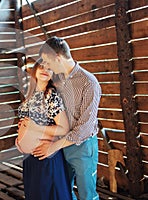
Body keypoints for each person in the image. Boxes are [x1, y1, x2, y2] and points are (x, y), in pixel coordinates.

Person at [33, 36, 102, 200]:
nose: (46, 67)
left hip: (83, 147)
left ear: (57, 57)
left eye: (47, 62)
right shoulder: (57, 80)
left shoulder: (89, 82)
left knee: (87, 196)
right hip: (61, 146)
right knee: (64, 191)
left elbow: (84, 128)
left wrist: (53, 146)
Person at [16, 60, 72, 200]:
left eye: (49, 68)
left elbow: (63, 129)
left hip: (45, 156)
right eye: (42, 66)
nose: (45, 70)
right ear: (35, 69)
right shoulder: (30, 95)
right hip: (30, 158)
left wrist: (35, 128)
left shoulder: (51, 96)